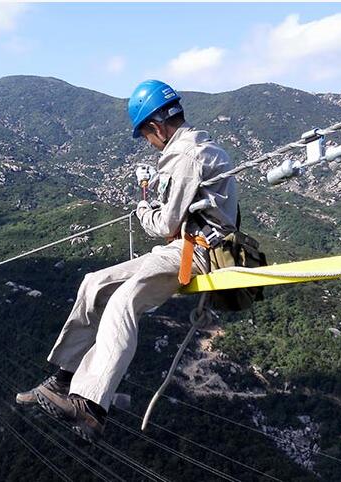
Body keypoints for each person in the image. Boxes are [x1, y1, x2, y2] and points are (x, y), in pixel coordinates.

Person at [16, 80, 239, 442]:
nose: (149, 143)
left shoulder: (186, 156)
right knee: (94, 283)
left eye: (146, 135)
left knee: (123, 300)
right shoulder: (185, 150)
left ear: (155, 126)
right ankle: (63, 379)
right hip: (182, 246)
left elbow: (164, 223)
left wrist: (142, 209)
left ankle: (91, 406)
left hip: (200, 252)